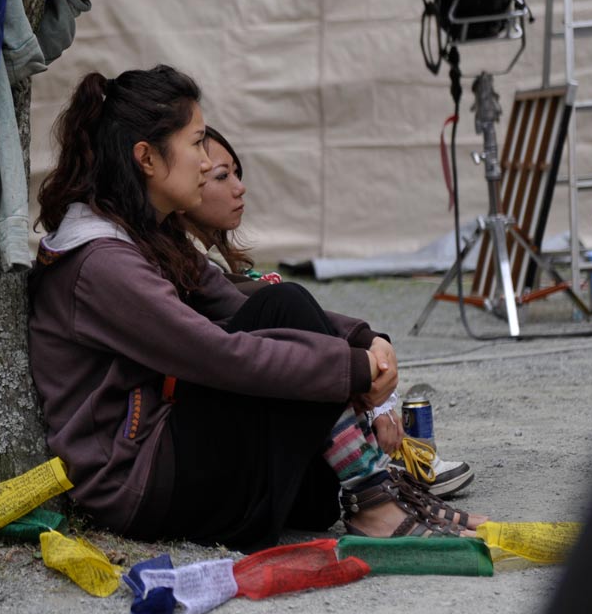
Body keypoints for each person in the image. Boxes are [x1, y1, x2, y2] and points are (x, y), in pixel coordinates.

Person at [27, 65, 486, 549]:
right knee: (283, 306)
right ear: (146, 157)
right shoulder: (102, 263)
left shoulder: (146, 233)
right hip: (137, 483)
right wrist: (350, 368)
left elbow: (233, 301)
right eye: (197, 143)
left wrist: (364, 339)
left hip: (173, 459)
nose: (206, 161)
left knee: (281, 305)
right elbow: (217, 355)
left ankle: (373, 490)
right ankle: (376, 502)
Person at [181, 126, 476, 498]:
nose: (240, 188)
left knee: (321, 502)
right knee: (287, 305)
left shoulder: (209, 259)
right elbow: (276, 321)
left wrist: (365, 343)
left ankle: (368, 462)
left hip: (233, 422)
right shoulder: (180, 265)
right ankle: (372, 471)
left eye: (237, 174)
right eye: (223, 176)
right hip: (204, 444)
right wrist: (359, 370)